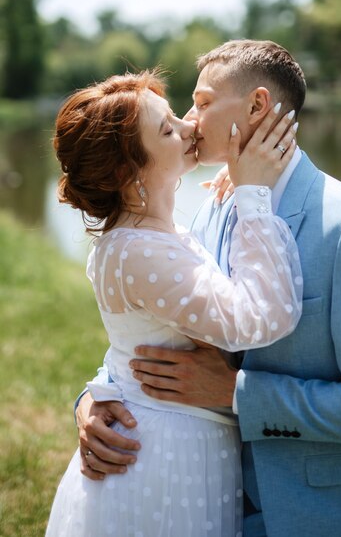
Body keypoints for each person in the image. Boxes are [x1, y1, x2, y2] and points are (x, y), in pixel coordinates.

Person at [76, 40, 341, 537]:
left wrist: (238, 394)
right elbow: (165, 326)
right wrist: (94, 397)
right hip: (212, 504)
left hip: (325, 519)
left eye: (204, 102)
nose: (190, 120)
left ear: (256, 105)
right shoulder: (210, 208)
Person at [45, 69, 303, 537]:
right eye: (167, 129)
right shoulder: (135, 249)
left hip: (171, 441)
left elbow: (135, 341)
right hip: (161, 461)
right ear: (129, 171)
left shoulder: (156, 235)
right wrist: (254, 197)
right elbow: (255, 320)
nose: (190, 126)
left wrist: (93, 396)